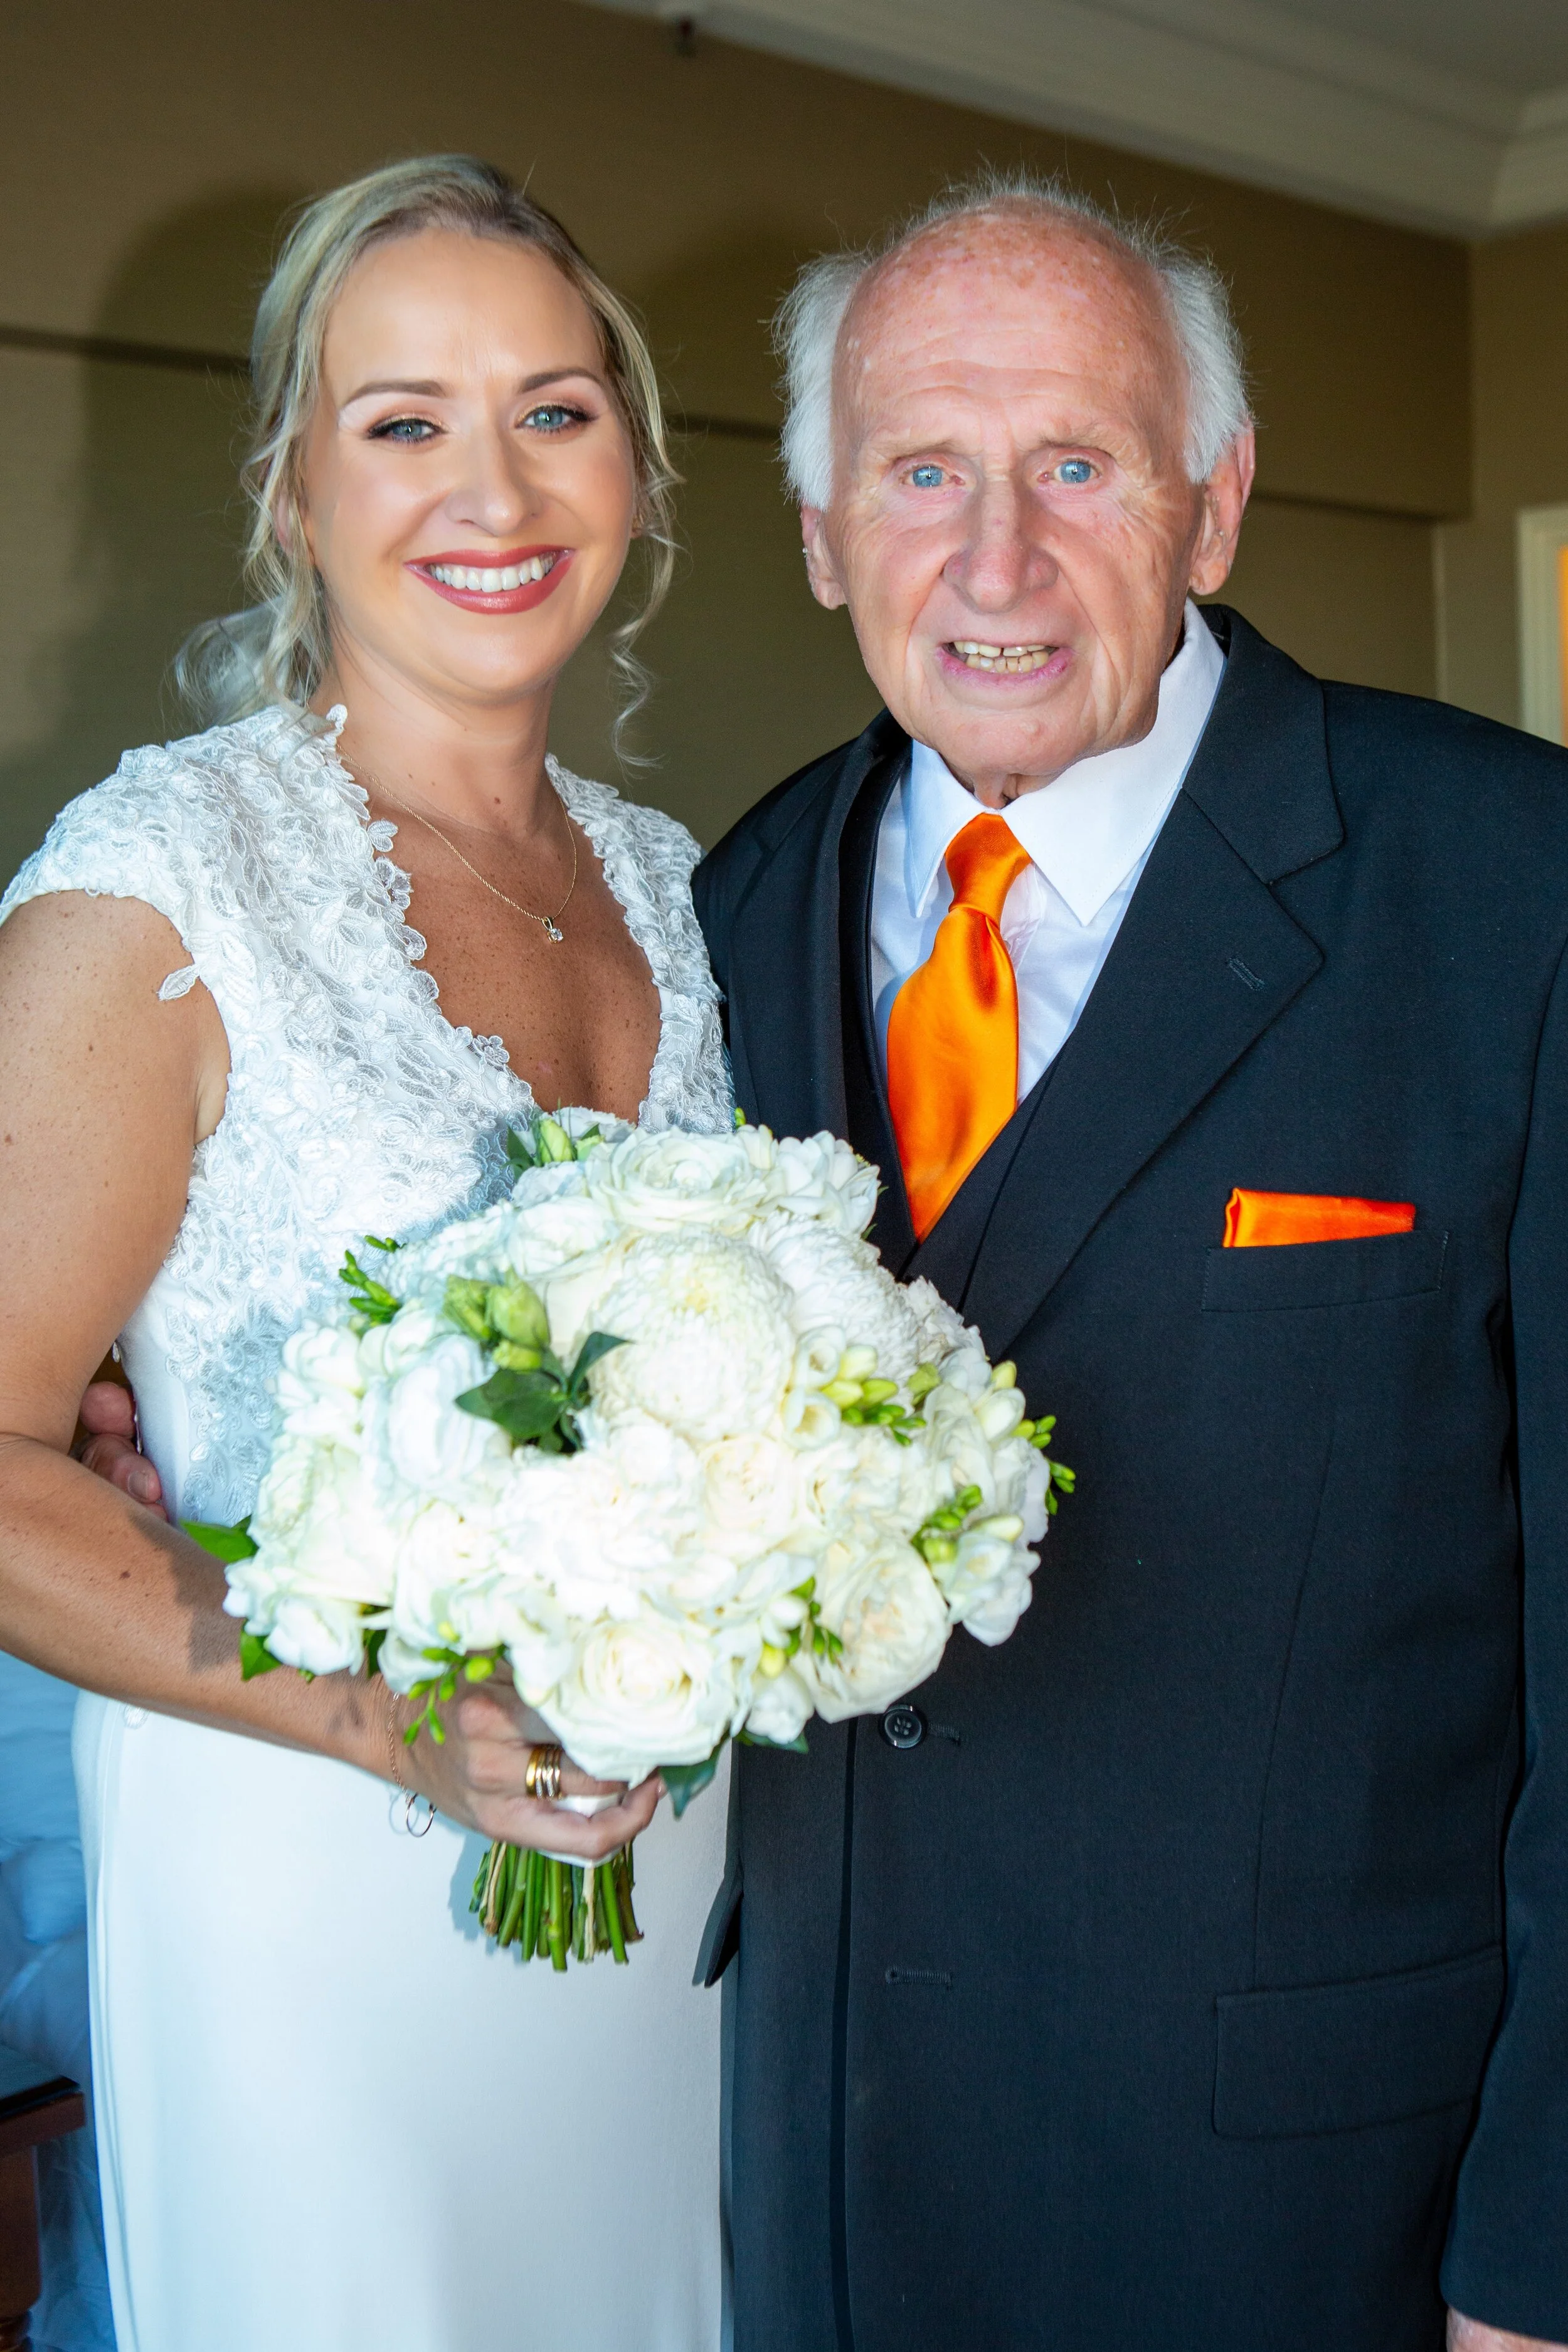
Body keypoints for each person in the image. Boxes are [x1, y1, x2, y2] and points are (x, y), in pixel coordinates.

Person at [689, 176, 1568, 2351]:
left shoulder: (1511, 884)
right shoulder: (725, 911)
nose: (994, 561)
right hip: (826, 2172)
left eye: (1074, 464)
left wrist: (1542, 2257)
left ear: (1213, 504)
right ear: (820, 531)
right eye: (920, 471)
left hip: (1314, 2209)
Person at [0, 156, 730, 2352]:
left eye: (553, 411)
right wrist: (395, 1719)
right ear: (290, 486)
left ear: (632, 465)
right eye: (403, 421)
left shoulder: (672, 879)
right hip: (308, 1880)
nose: (491, 489)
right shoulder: (155, 885)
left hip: (670, 1883)